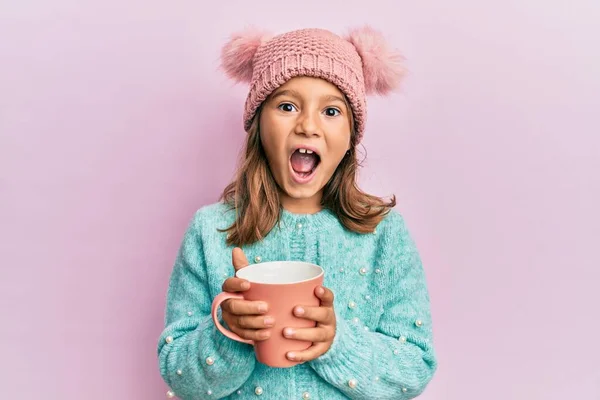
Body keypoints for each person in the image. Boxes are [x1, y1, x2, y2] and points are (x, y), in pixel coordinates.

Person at [157, 26, 438, 400]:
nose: (308, 125)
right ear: (259, 124)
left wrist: (337, 342)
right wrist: (227, 334)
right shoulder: (211, 231)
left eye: (331, 111)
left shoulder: (384, 235)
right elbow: (177, 374)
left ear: (351, 136)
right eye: (287, 106)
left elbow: (414, 367)